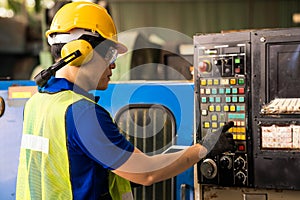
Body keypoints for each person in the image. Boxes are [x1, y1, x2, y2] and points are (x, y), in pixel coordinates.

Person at [16, 1, 235, 200]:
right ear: (81, 51)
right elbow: (146, 173)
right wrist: (204, 148)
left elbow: (73, 167)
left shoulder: (37, 102)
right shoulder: (81, 113)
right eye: (110, 54)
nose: (113, 65)